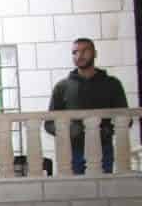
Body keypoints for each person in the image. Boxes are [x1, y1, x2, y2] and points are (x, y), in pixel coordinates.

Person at [45, 37, 130, 174]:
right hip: (72, 152)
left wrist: (107, 130)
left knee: (103, 186)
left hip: (103, 149)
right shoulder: (62, 87)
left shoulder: (112, 84)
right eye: (75, 52)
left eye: (85, 51)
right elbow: (49, 124)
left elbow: (126, 119)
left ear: (95, 53)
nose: (79, 55)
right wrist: (68, 131)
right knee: (76, 187)